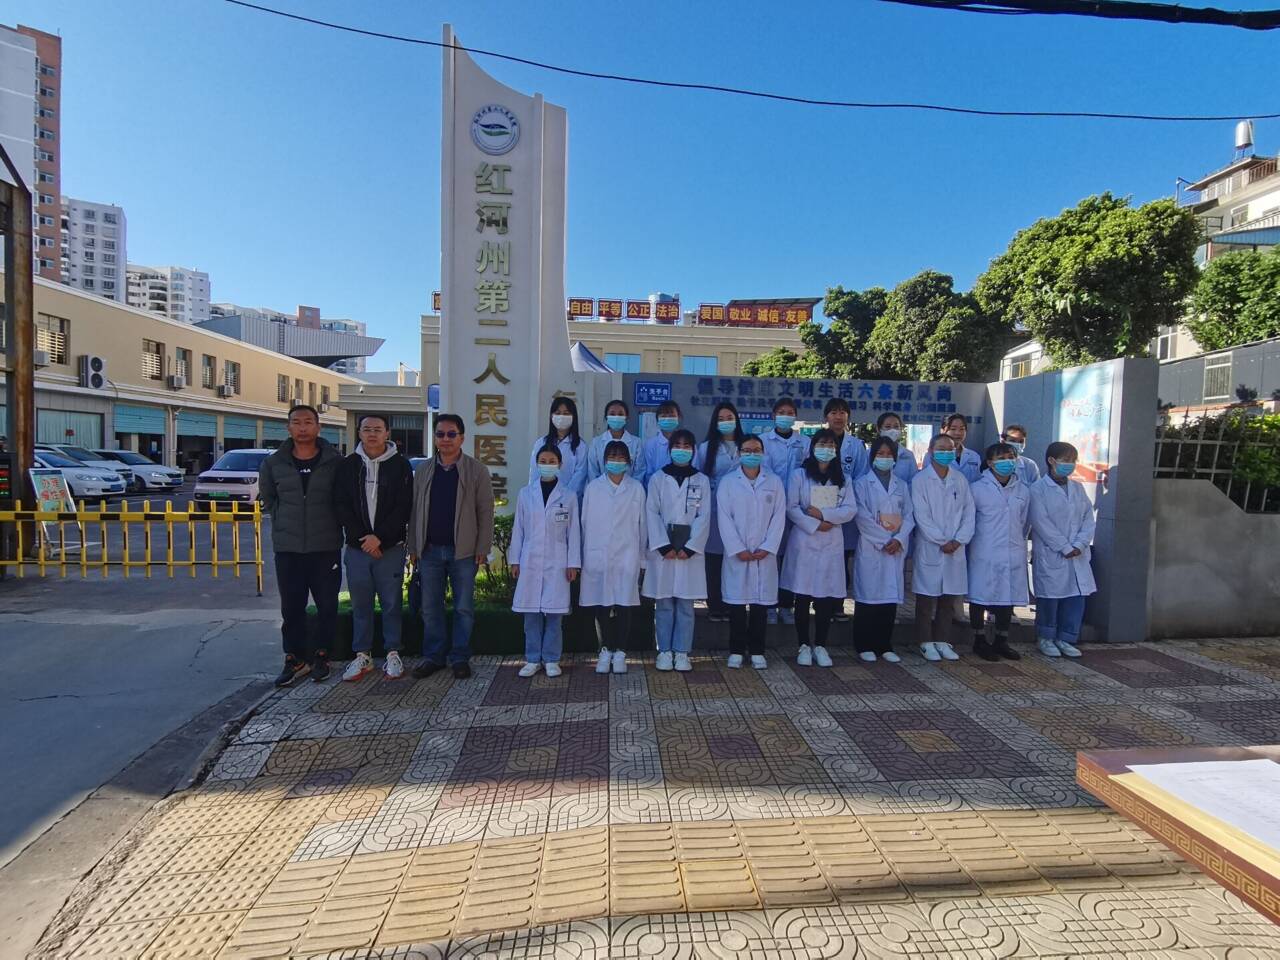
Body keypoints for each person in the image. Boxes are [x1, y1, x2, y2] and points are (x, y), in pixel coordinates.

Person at [259, 404, 345, 686]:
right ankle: (295, 658)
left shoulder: (335, 462)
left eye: (308, 422)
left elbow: (342, 500)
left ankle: (322, 655)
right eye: (297, 422)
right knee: (291, 607)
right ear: (288, 428)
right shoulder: (274, 463)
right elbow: (269, 499)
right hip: (288, 548)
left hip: (325, 545)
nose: (303, 427)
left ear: (319, 427)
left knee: (327, 605)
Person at [406, 414, 495, 680]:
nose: (446, 439)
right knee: (430, 607)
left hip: (463, 552)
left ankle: (459, 657)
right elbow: (414, 510)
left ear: (462, 438)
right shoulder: (423, 470)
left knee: (463, 607)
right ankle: (434, 656)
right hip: (429, 550)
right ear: (435, 438)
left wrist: (483, 546)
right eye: (440, 434)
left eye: (451, 434)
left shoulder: (476, 470)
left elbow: (485, 511)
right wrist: (413, 546)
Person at [335, 413, 415, 682]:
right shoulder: (348, 465)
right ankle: (363, 655)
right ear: (359, 433)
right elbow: (341, 505)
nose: (372, 434)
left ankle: (393, 652)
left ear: (387, 433)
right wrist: (365, 539)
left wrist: (380, 538)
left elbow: (404, 506)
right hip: (358, 548)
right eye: (367, 429)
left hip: (390, 548)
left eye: (377, 429)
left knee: (391, 603)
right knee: (361, 603)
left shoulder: (400, 465)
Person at [781, 429, 855, 667]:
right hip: (805, 540)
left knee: (825, 597)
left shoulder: (844, 479)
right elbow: (792, 507)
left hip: (831, 540)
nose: (827, 449)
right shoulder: (799, 475)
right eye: (822, 444)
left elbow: (850, 509)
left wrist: (824, 516)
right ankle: (803, 645)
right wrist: (814, 524)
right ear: (812, 447)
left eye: (831, 445)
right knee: (802, 596)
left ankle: (821, 646)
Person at [643, 429, 710, 671]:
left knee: (685, 605)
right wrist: (663, 545)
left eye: (686, 446)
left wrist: (690, 547)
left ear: (693, 450)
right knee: (663, 604)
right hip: (664, 552)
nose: (682, 450)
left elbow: (704, 516)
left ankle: (682, 652)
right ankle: (664, 651)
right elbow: (651, 512)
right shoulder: (658, 478)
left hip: (689, 553)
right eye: (677, 445)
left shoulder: (701, 480)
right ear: (670, 449)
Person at [511, 444, 580, 677]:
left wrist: (573, 564)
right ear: (536, 463)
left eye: (552, 461)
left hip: (558, 562)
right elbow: (518, 530)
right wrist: (515, 560)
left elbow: (574, 533)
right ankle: (532, 659)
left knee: (554, 614)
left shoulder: (568, 496)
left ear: (560, 464)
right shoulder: (525, 494)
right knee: (530, 614)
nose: (547, 465)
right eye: (543, 461)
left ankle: (551, 659)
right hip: (530, 560)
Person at [718, 434, 786, 669]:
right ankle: (736, 650)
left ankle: (757, 650)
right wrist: (737, 548)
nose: (752, 454)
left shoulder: (774, 482)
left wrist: (768, 547)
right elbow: (724, 518)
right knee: (737, 605)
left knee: (760, 605)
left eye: (756, 450)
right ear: (739, 454)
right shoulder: (728, 482)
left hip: (764, 554)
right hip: (737, 554)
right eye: (747, 450)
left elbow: (779, 517)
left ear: (763, 453)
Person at [581, 440, 647, 674]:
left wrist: (642, 558)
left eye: (621, 458)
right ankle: (604, 650)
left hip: (628, 554)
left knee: (624, 603)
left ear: (628, 462)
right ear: (604, 461)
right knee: (602, 603)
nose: (616, 461)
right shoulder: (593, 488)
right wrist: (585, 556)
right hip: (598, 554)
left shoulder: (636, 488)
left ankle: (620, 652)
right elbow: (585, 524)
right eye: (612, 457)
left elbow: (643, 526)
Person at [910, 434, 975, 662]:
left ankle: (943, 641)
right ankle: (925, 642)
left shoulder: (960, 479)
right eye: (941, 448)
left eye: (950, 449)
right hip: (931, 546)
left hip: (955, 548)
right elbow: (921, 515)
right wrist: (941, 540)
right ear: (930, 450)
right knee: (926, 600)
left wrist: (959, 540)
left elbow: (969, 512)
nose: (946, 452)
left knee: (948, 599)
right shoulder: (920, 480)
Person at [1029, 441, 1096, 659]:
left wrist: (1079, 544)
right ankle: (1046, 637)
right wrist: (1064, 547)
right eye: (1066, 460)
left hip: (1077, 553)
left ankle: (1066, 638)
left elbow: (1088, 519)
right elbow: (1041, 522)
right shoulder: (1038, 490)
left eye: (1073, 461)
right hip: (1053, 553)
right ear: (1051, 461)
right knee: (1050, 598)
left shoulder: (1077, 488)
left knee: (1075, 597)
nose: (1070, 464)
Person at [966, 442, 1031, 662]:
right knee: (980, 595)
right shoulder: (977, 488)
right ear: (990, 462)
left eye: (1011, 457)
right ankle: (979, 639)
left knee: (1007, 596)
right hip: (985, 550)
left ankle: (1002, 640)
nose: (1007, 461)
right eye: (1001, 458)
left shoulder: (1023, 490)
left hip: (1013, 550)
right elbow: (970, 519)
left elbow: (1024, 521)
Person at [852, 438, 915, 662]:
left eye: (889, 454)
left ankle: (884, 644)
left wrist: (898, 539)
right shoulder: (861, 483)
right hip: (872, 546)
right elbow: (862, 516)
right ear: (872, 457)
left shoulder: (902, 485)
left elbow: (909, 515)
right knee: (867, 597)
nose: (885, 458)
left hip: (895, 547)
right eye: (881, 453)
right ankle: (864, 644)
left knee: (889, 597)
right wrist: (884, 540)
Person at [695, 401, 744, 623]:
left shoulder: (746, 445)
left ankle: (733, 604)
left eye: (729, 418)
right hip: (714, 509)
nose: (726, 422)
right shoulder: (706, 448)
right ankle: (715, 604)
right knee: (714, 560)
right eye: (721, 419)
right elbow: (698, 479)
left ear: (737, 420)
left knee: (735, 557)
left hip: (741, 510)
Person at [762, 397, 807, 626]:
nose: (785, 416)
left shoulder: (805, 443)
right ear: (773, 415)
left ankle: (787, 606)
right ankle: (770, 606)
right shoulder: (763, 441)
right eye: (781, 412)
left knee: (792, 559)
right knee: (771, 557)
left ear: (795, 417)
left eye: (790, 412)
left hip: (798, 509)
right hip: (769, 508)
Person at [824, 397, 869, 622]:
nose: (838, 417)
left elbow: (860, 477)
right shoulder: (816, 441)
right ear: (826, 417)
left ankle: (837, 604)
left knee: (841, 560)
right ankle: (821, 602)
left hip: (846, 509)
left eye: (842, 412)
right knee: (821, 558)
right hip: (821, 508)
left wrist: (847, 501)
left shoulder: (857, 445)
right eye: (833, 412)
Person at [529, 396, 588, 497]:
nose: (561, 416)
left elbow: (579, 477)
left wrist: (564, 498)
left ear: (573, 417)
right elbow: (534, 473)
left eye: (566, 413)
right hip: (541, 496)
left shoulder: (580, 446)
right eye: (557, 413)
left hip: (569, 500)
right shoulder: (541, 443)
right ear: (551, 416)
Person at [587, 399, 645, 482]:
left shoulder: (636, 443)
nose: (616, 417)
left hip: (630, 488)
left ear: (626, 417)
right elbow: (592, 471)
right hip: (601, 488)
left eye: (620, 414)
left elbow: (639, 472)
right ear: (606, 417)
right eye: (612, 414)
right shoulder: (596, 442)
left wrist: (631, 487)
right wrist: (599, 487)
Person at [923, 414, 983, 482]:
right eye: (953, 429)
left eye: (962, 429)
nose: (958, 433)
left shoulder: (974, 456)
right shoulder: (931, 456)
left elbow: (978, 481)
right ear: (942, 431)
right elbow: (926, 480)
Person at [643, 400, 682, 486]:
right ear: (657, 420)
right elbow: (648, 474)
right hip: (657, 489)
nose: (668, 419)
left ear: (678, 418)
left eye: (671, 416)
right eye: (664, 416)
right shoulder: (650, 444)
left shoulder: (687, 444)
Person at [876, 412, 919, 485]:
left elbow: (913, 482)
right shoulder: (868, 454)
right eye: (888, 427)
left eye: (896, 427)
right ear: (878, 429)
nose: (893, 430)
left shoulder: (908, 455)